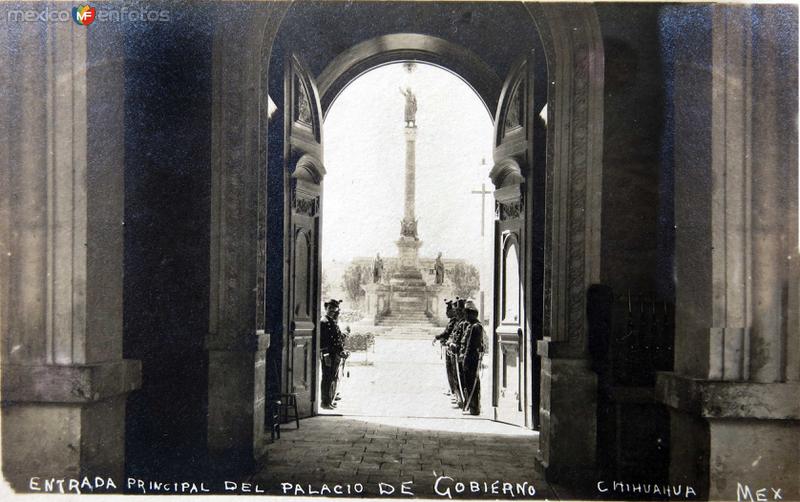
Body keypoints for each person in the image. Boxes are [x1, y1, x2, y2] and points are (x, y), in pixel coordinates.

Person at [320, 299, 349, 409]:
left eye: (334, 309)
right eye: (330, 308)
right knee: (327, 378)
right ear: (326, 309)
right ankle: (324, 402)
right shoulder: (324, 322)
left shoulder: (332, 321)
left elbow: (337, 340)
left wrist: (341, 351)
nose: (332, 311)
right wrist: (326, 355)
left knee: (332, 377)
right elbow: (323, 341)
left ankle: (330, 400)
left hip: (335, 354)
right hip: (329, 355)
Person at [460, 300, 485, 415]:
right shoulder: (471, 326)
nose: (465, 316)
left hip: (471, 360)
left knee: (472, 384)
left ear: (472, 314)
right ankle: (471, 406)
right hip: (468, 359)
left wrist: (465, 360)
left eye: (466, 314)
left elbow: (471, 346)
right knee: (468, 383)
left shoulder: (476, 327)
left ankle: (474, 407)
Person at [434, 299, 457, 396]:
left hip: (450, 349)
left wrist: (437, 337)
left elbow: (447, 333)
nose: (446, 313)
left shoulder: (453, 321)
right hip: (448, 347)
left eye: (448, 311)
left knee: (451, 370)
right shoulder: (452, 321)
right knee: (450, 370)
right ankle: (452, 390)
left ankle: (453, 390)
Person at [448, 298, 467, 408]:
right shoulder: (459, 322)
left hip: (460, 355)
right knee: (456, 376)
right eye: (457, 312)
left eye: (459, 311)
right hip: (455, 353)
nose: (457, 314)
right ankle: (460, 399)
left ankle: (465, 401)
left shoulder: (465, 324)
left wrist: (455, 346)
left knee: (462, 378)